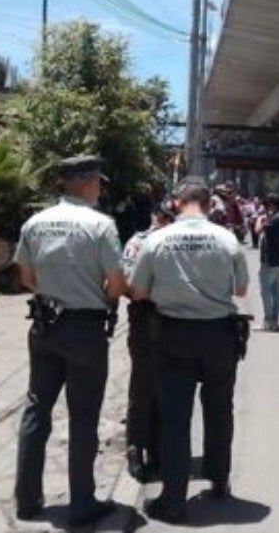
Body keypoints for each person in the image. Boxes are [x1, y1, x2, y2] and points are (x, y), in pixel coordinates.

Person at [13, 155, 126, 527]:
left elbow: (26, 279)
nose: (99, 189)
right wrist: (99, 299)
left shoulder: (35, 222)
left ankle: (27, 501)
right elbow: (117, 285)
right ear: (88, 183)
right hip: (85, 330)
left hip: (44, 326)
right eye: (98, 182)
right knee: (83, 416)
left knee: (36, 409)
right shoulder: (100, 225)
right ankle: (81, 503)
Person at [129, 177, 249, 524]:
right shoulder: (227, 239)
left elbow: (137, 292)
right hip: (219, 336)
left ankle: (173, 499)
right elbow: (241, 290)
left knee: (175, 418)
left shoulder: (157, 240)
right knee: (219, 410)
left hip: (173, 336)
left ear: (178, 204)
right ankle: (219, 479)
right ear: (209, 205)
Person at [122, 199, 177, 482]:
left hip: (154, 319)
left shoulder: (139, 241)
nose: (167, 221)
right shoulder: (148, 242)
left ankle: (152, 448)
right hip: (151, 318)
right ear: (156, 216)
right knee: (145, 388)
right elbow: (129, 284)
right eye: (166, 215)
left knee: (155, 388)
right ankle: (136, 449)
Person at [255, 194, 279, 330]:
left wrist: (260, 219)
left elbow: (257, 230)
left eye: (268, 205)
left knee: (266, 291)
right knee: (276, 291)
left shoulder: (277, 219)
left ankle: (268, 321)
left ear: (273, 205)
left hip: (270, 260)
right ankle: (275, 320)